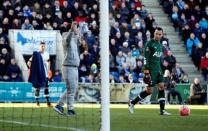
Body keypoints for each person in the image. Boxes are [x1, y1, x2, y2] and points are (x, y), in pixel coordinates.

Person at [128, 27, 171, 115]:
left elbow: (157, 59)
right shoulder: (149, 44)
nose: (158, 35)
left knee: (162, 86)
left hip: (158, 69)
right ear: (154, 34)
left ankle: (162, 110)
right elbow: (145, 58)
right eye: (156, 34)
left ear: (162, 35)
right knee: (149, 91)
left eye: (160, 34)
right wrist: (146, 71)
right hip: (150, 70)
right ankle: (132, 103)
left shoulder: (160, 45)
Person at [53, 21, 80, 116]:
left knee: (72, 89)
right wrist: (72, 30)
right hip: (68, 67)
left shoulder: (74, 39)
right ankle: (70, 109)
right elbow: (68, 39)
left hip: (75, 67)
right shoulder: (65, 39)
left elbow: (80, 43)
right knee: (71, 89)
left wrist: (77, 33)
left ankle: (59, 106)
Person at [28, 42, 52, 107]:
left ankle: (48, 102)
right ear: (39, 47)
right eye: (42, 46)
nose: (43, 47)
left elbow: (49, 62)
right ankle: (37, 102)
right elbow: (29, 63)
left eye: (44, 46)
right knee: (37, 88)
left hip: (45, 74)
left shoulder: (47, 54)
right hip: (39, 74)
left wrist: (48, 70)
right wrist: (33, 70)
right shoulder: (36, 54)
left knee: (46, 87)